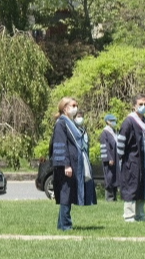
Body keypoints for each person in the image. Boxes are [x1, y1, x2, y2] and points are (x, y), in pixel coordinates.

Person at [51, 97, 96, 230]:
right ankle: (65, 225)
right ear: (65, 108)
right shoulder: (61, 123)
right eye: (73, 105)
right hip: (66, 165)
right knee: (66, 194)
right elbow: (60, 145)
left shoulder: (70, 122)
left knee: (69, 194)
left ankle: (61, 224)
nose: (76, 108)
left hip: (73, 164)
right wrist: (66, 165)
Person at [118, 94, 145, 223]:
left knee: (142, 186)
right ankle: (129, 215)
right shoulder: (129, 121)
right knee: (131, 186)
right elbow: (121, 141)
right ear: (134, 106)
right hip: (131, 160)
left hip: (144, 161)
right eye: (140, 104)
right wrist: (122, 158)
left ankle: (140, 214)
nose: (143, 107)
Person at [100, 114, 120, 201]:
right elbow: (105, 147)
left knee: (115, 177)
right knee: (109, 177)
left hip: (116, 158)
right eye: (112, 120)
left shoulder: (114, 131)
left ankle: (114, 197)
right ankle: (109, 197)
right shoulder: (105, 133)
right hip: (109, 159)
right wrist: (109, 158)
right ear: (108, 121)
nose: (114, 122)